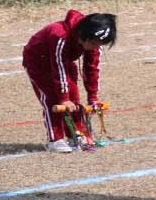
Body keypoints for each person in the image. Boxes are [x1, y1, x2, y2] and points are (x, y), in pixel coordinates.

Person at [22, 10, 116, 153]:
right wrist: (63, 98)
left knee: (74, 99)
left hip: (64, 60)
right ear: (83, 35)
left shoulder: (94, 41)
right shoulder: (59, 35)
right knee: (53, 99)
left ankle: (76, 135)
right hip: (38, 61)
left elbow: (92, 68)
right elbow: (58, 67)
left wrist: (93, 97)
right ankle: (55, 140)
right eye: (93, 43)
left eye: (100, 44)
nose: (96, 47)